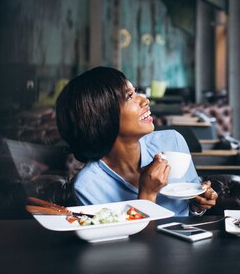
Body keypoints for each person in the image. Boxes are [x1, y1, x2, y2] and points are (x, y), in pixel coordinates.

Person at [55, 66, 217, 216]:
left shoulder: (172, 141)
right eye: (130, 96)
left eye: (136, 92)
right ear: (102, 118)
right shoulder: (88, 186)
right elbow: (130, 245)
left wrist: (198, 205)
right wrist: (147, 194)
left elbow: (190, 208)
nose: (144, 100)